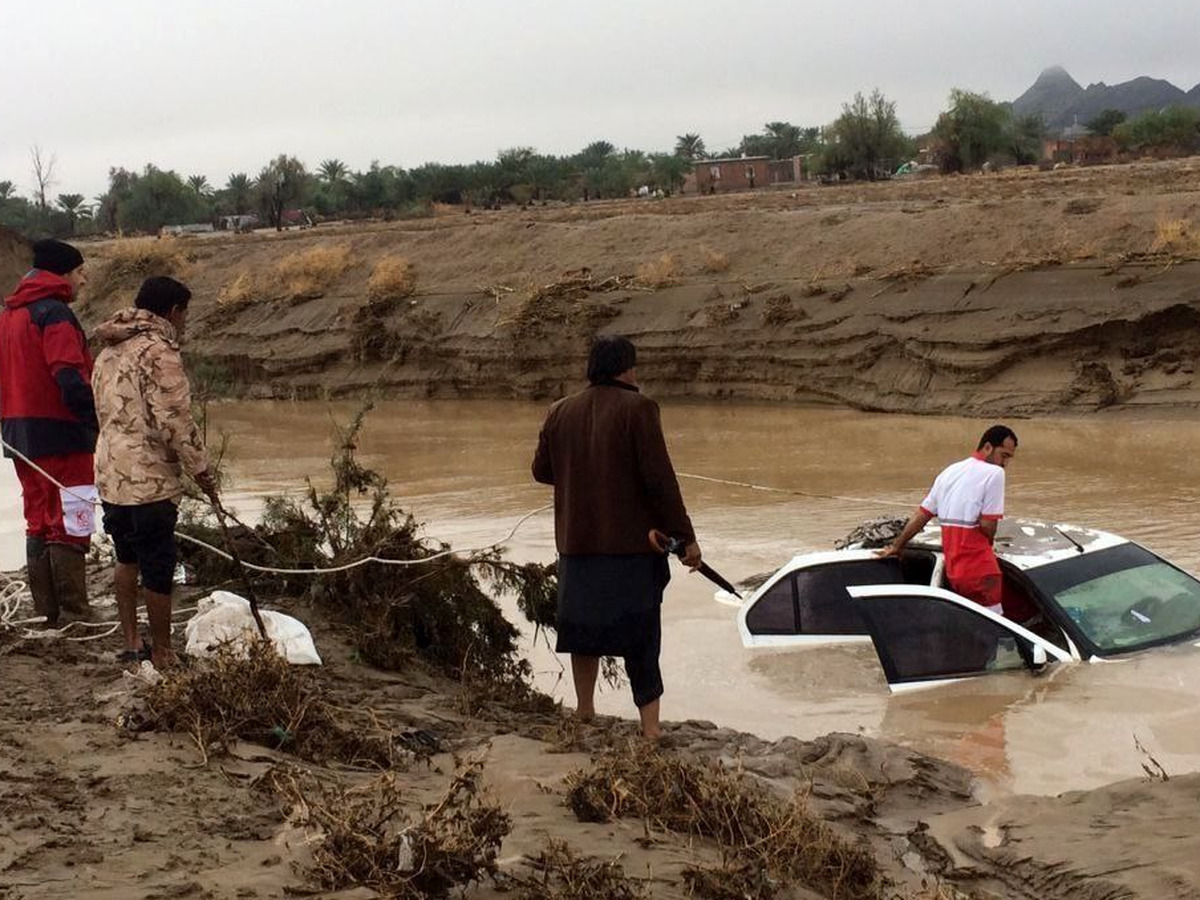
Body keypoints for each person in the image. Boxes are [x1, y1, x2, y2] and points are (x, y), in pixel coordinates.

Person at [532, 335, 701, 740]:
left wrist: (580, 473)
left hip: (577, 545)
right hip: (632, 549)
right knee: (642, 637)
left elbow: (541, 470)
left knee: (581, 631)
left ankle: (585, 710)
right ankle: (650, 730)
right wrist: (685, 539)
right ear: (627, 368)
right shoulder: (640, 408)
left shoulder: (559, 411)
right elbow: (660, 481)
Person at [92, 276, 216, 667]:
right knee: (158, 562)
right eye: (184, 315)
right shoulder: (158, 351)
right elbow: (175, 419)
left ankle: (132, 644)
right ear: (173, 311)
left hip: (111, 470)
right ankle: (163, 651)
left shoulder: (108, 350)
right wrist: (202, 470)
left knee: (125, 556)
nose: (184, 324)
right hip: (148, 478)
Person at [0, 239, 98, 625]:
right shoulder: (54, 314)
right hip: (62, 430)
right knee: (73, 515)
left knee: (38, 517)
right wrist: (94, 420)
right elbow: (69, 375)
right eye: (79, 272)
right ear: (62, 274)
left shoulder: (8, 315)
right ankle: (76, 612)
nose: (84, 279)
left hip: (19, 434)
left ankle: (47, 612)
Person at [880, 425, 1019, 614]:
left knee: (969, 625)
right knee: (992, 632)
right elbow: (988, 524)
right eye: (1004, 456)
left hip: (954, 572)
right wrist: (989, 544)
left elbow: (922, 514)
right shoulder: (995, 474)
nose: (1005, 464)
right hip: (981, 570)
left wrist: (897, 545)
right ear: (987, 447)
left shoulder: (949, 472)